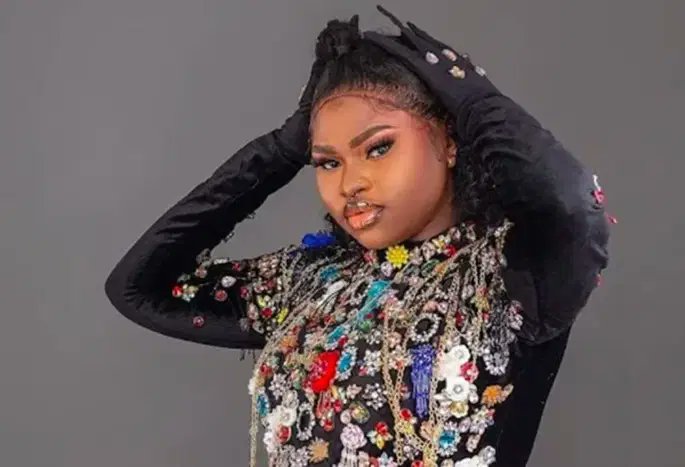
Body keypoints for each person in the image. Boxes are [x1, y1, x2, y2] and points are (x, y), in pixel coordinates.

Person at [104, 6, 613, 467]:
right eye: (327, 162)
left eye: (378, 149)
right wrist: (280, 150)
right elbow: (139, 287)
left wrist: (478, 105)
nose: (350, 184)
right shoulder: (312, 282)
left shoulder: (510, 274)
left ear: (448, 140)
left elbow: (572, 207)